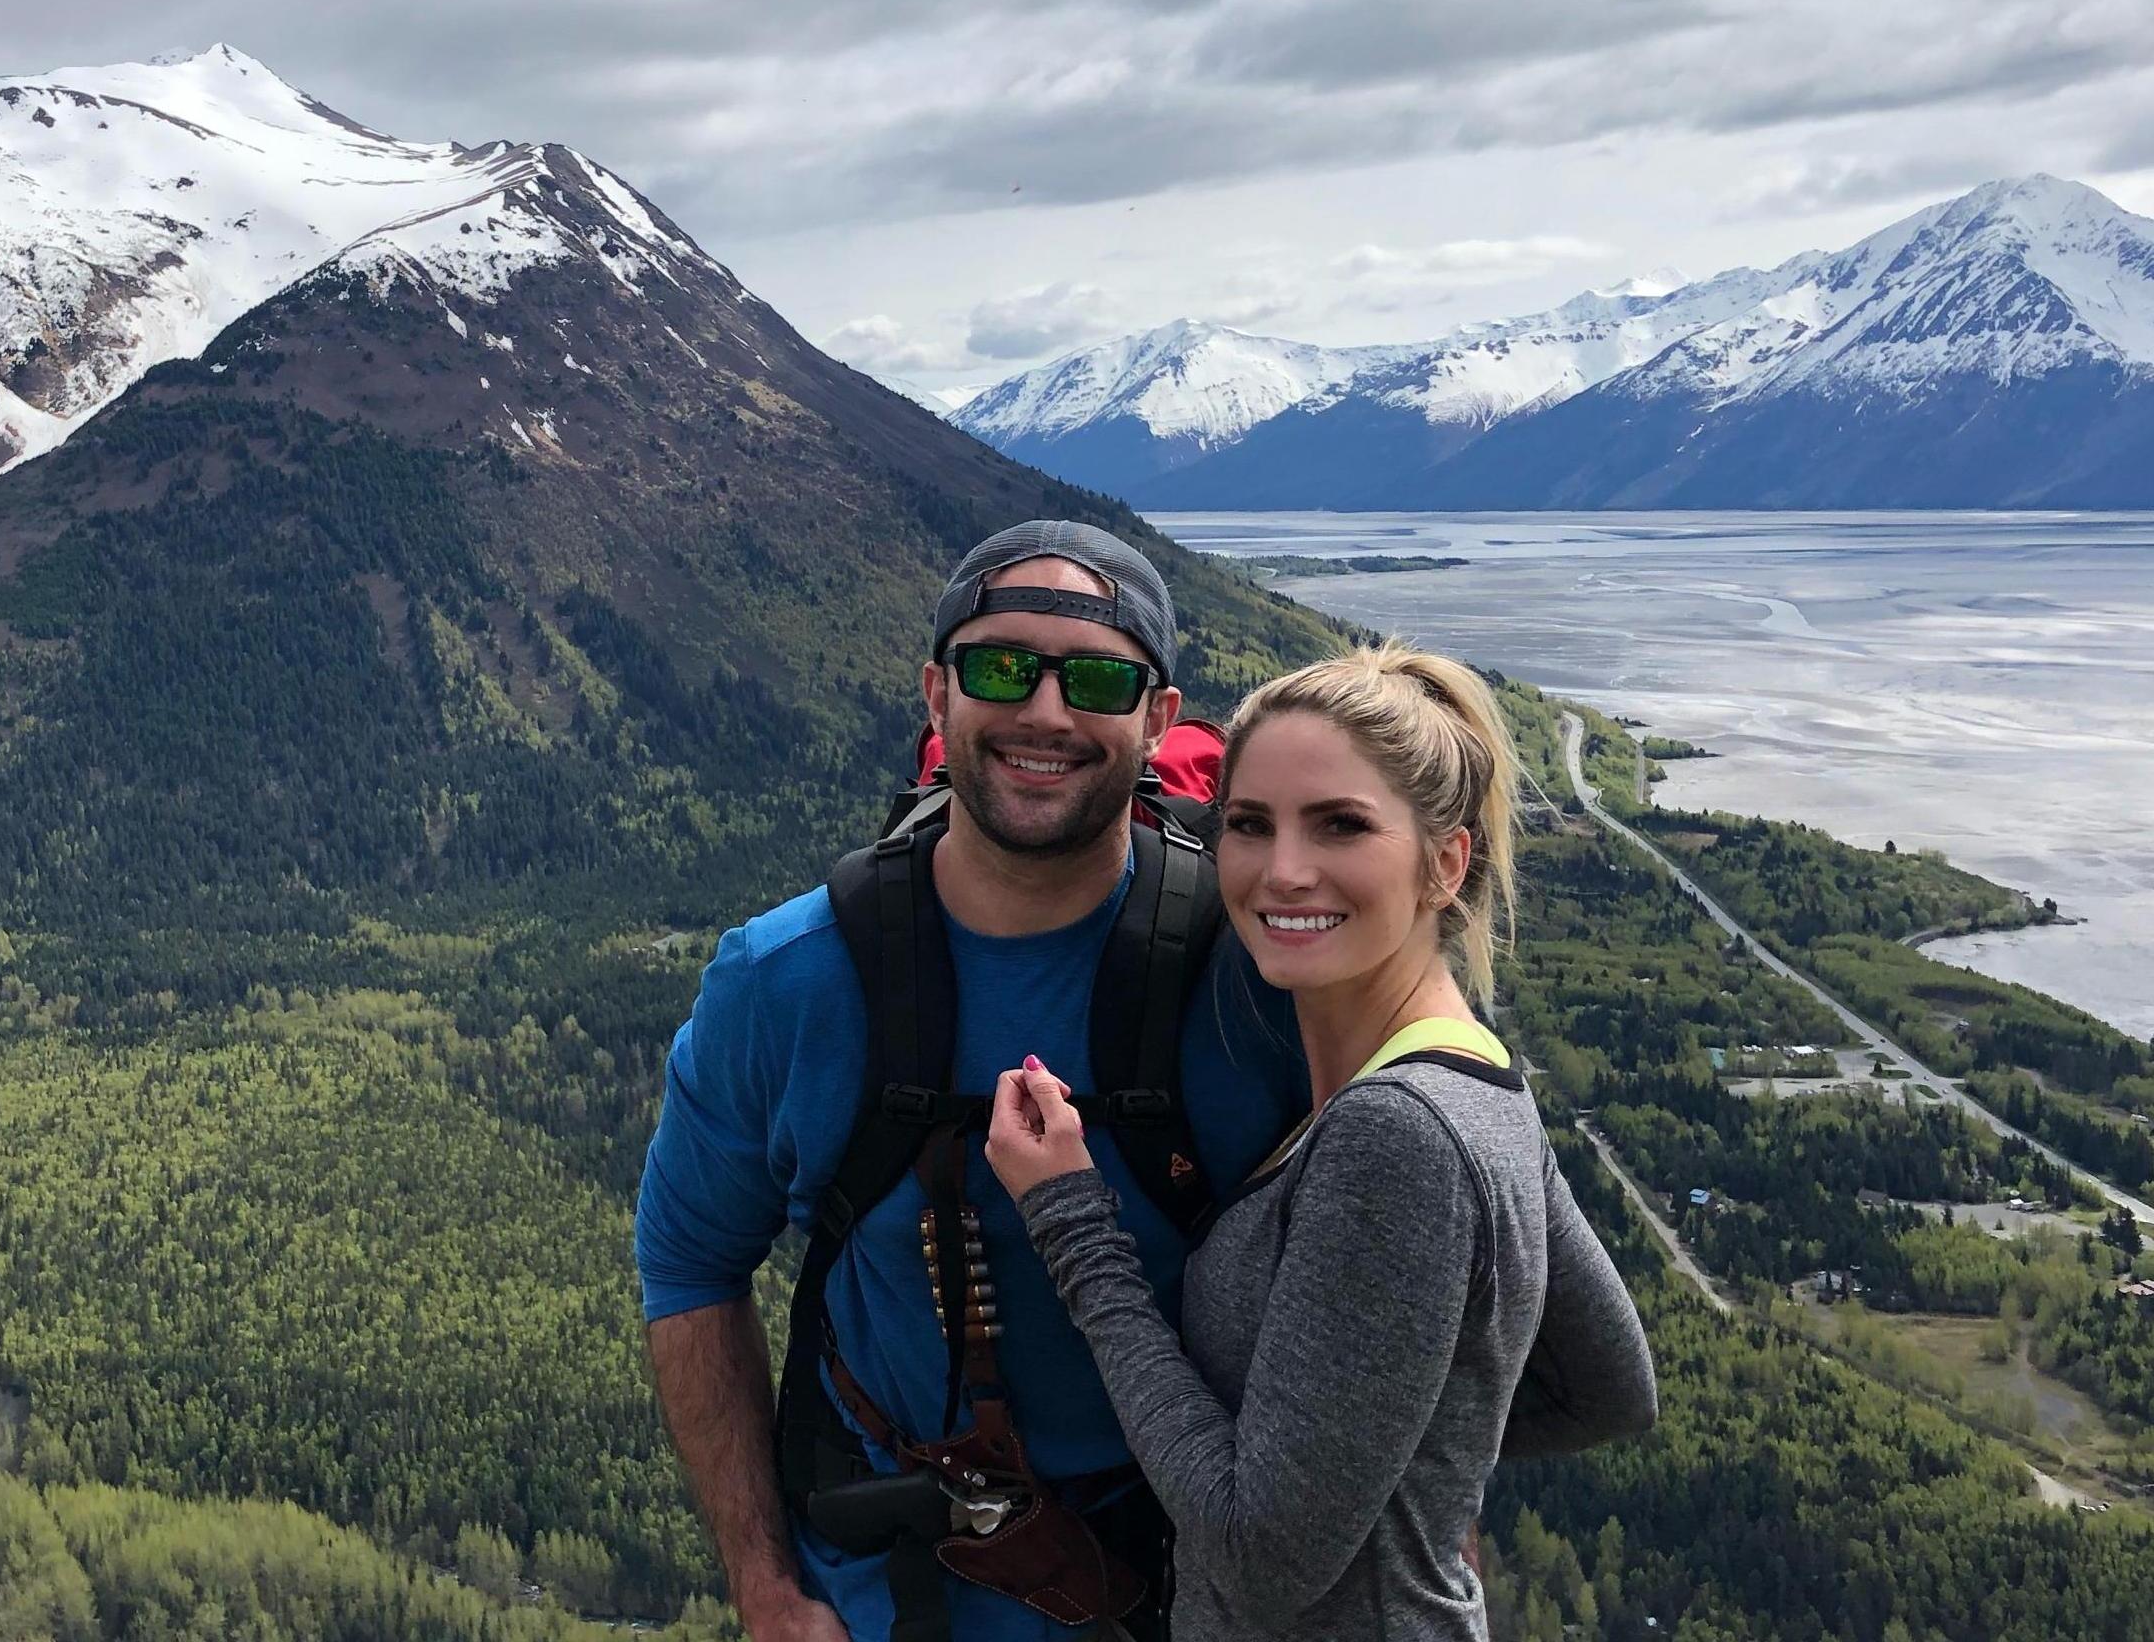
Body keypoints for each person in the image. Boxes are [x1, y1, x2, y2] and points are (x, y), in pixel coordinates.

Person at [635, 522, 1645, 1642]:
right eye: (1000, 666)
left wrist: (1343, 1449)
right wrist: (767, 1591)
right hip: (896, 1598)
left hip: (1190, 1591)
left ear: (1157, 720)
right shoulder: (785, 983)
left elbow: (1482, 1310)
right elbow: (687, 1261)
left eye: (1100, 678)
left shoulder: (1264, 969)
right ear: (936, 693)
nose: (1045, 711)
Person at [987, 644, 1656, 1641]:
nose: (1282, 867)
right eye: (1248, 824)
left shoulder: (1393, 1134)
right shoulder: (1476, 1074)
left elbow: (1258, 1560)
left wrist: (1073, 1224)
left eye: (1340, 823)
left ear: (1444, 860)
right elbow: (1606, 1386)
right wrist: (1365, 1458)